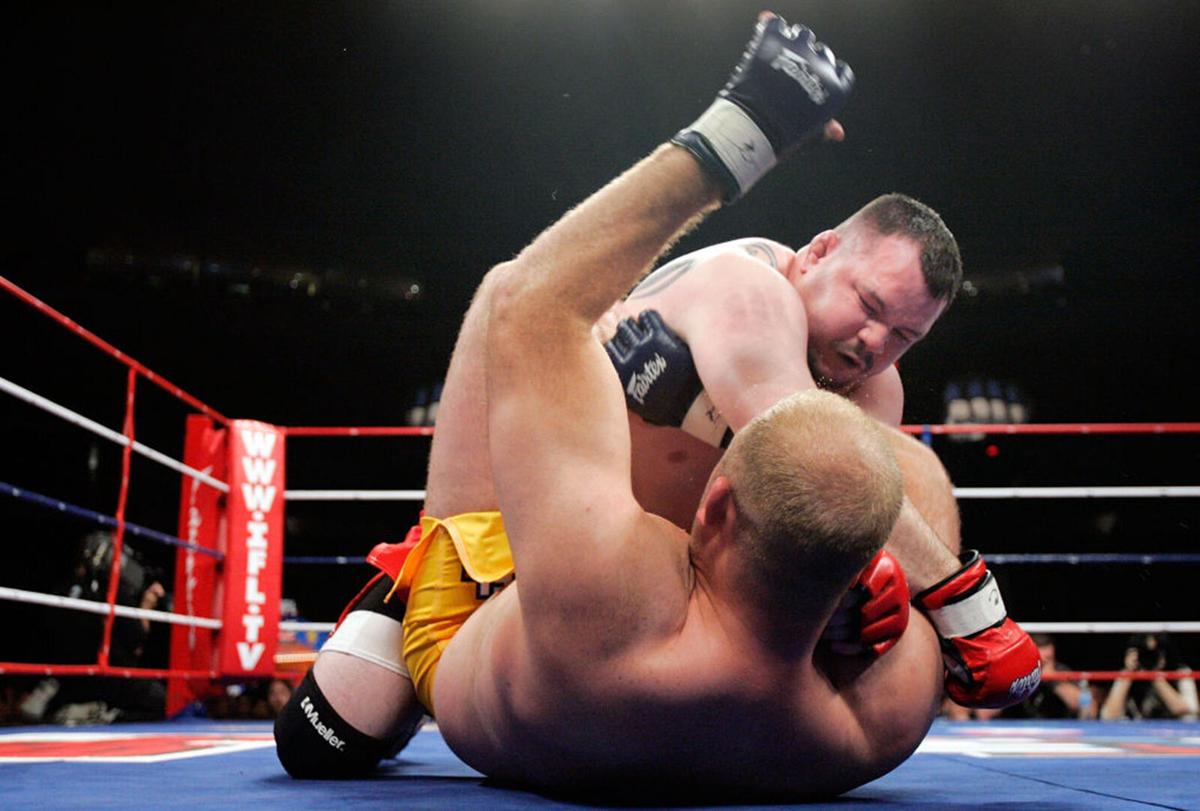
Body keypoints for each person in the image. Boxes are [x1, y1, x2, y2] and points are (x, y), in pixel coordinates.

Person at [276, 13, 1034, 797]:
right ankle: (406, 588)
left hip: (649, 602)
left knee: (882, 474)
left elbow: (842, 506)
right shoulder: (752, 295)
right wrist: (968, 607)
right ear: (818, 251)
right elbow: (789, 432)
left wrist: (861, 578)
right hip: (551, 542)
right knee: (319, 741)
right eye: (870, 305)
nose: (876, 341)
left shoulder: (872, 390)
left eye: (904, 335)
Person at [1100, 634, 1198, 721]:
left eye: (1154, 653)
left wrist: (1155, 676)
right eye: (1144, 653)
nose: (1148, 657)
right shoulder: (1126, 674)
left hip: (1174, 734)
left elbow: (1188, 711)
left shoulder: (1180, 671)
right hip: (1136, 734)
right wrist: (1128, 674)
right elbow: (1109, 716)